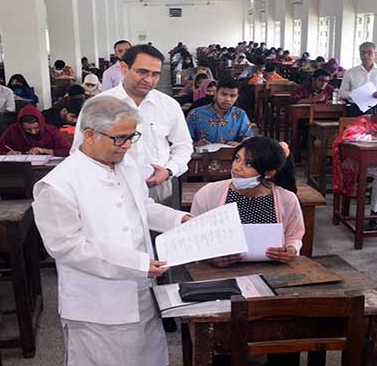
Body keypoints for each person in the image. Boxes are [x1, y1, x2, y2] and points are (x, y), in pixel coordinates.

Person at [32, 96, 191, 366]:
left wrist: (179, 219)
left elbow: (144, 207)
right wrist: (136, 264)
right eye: (120, 138)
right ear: (89, 134)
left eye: (132, 137)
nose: (128, 145)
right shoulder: (58, 184)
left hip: (141, 288)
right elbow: (67, 247)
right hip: (97, 299)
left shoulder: (126, 164)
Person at [71, 44, 193, 203]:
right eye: (142, 72)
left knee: (163, 225)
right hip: (111, 191)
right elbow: (79, 150)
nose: (149, 80)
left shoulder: (169, 105)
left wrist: (169, 171)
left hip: (158, 190)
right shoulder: (98, 105)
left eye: (155, 74)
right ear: (123, 68)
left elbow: (183, 145)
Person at [191, 137, 302, 267]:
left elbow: (294, 236)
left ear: (269, 173)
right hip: (221, 274)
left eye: (248, 164)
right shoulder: (208, 194)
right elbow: (194, 239)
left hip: (272, 271)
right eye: (237, 158)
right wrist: (209, 257)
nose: (237, 167)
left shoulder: (287, 199)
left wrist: (290, 250)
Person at [332, 97, 377, 229]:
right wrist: (372, 137)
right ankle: (374, 214)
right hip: (356, 161)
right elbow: (347, 136)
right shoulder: (363, 121)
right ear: (376, 111)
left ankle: (375, 214)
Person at [186, 77, 252, 145]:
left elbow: (248, 140)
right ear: (216, 93)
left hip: (231, 154)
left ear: (237, 97)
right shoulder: (195, 114)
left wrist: (240, 145)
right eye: (224, 94)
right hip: (203, 154)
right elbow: (183, 141)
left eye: (232, 96)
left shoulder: (241, 115)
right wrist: (196, 144)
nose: (228, 99)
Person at [0, 104, 71, 158]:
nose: (33, 132)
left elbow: (68, 151)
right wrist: (7, 154)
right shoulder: (13, 131)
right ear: (21, 126)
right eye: (27, 129)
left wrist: (45, 151)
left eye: (36, 128)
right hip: (19, 172)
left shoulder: (51, 131)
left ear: (41, 123)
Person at [340, 42, 377, 115]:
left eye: (369, 52)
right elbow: (342, 92)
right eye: (363, 53)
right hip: (356, 108)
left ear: (375, 54)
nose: (366, 55)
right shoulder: (350, 72)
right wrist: (355, 95)